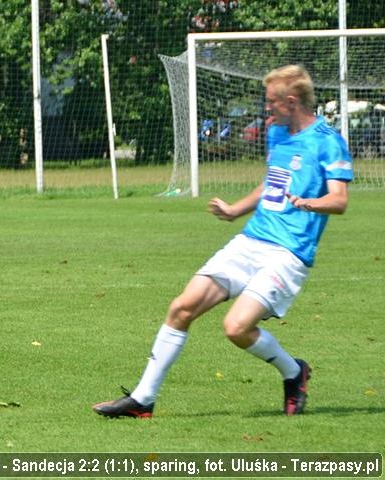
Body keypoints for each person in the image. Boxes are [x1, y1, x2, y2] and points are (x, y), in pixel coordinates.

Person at [93, 65, 352, 418]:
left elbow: (339, 200)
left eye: (271, 102)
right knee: (182, 307)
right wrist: (235, 211)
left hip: (289, 253)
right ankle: (143, 399)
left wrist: (310, 203)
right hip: (252, 240)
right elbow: (270, 186)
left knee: (236, 328)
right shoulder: (277, 133)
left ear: (291, 101)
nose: (267, 108)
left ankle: (294, 372)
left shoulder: (328, 141)